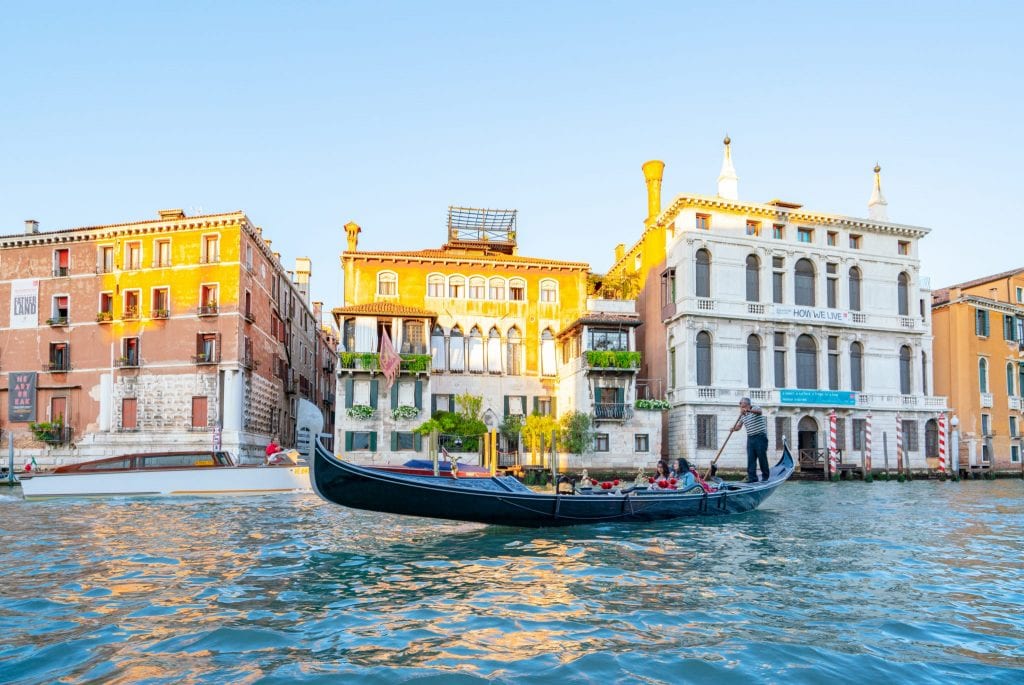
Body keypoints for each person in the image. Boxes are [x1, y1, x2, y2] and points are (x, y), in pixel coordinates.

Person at [732, 397, 769, 483]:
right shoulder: (742, 415)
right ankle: (752, 478)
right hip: (750, 438)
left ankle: (765, 476)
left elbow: (760, 412)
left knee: (761, 457)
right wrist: (733, 429)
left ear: (746, 403)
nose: (740, 405)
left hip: (760, 437)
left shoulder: (755, 408)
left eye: (741, 403)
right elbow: (739, 426)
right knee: (751, 458)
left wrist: (748, 411)